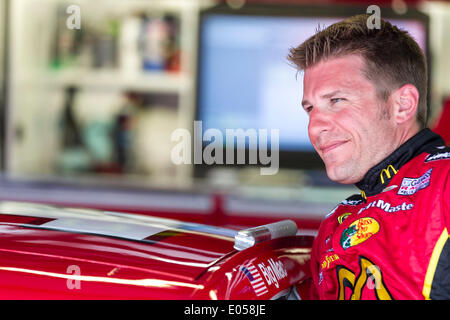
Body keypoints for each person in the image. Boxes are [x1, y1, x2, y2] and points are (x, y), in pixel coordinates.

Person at [288, 14, 449, 300]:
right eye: (310, 109)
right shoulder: (333, 226)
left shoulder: (443, 184)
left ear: (403, 105)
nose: (314, 127)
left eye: (336, 101)